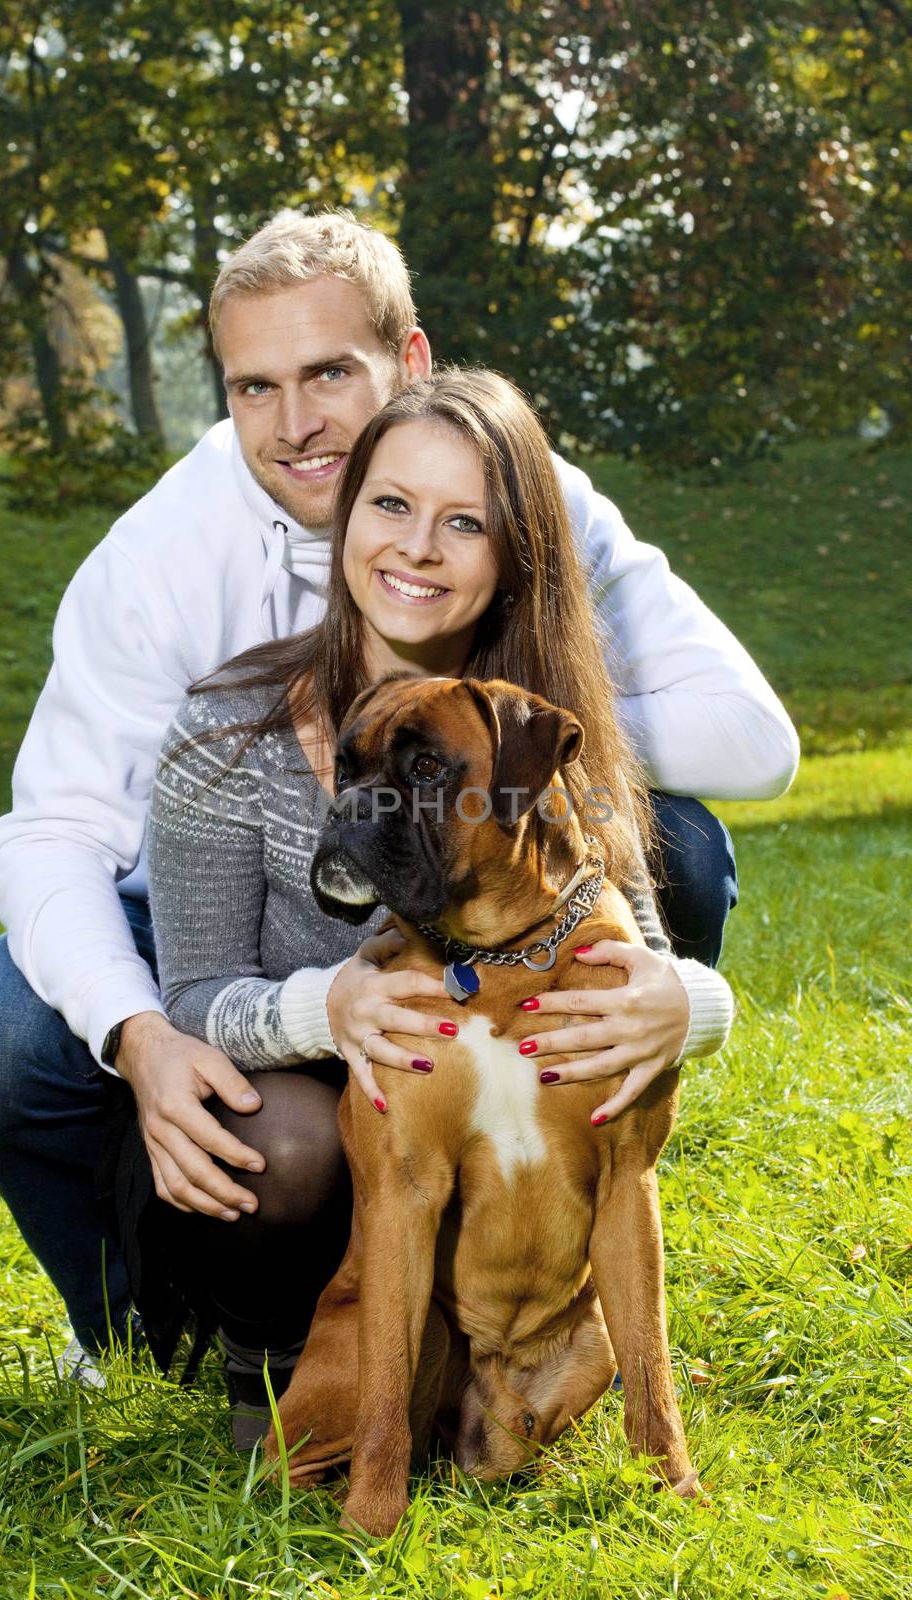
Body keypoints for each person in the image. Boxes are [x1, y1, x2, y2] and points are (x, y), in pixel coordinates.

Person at [0, 211, 797, 1373]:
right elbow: (54, 833)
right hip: (219, 895)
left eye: (331, 373)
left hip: (482, 884)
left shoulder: (519, 483)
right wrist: (140, 1034)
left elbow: (753, 738)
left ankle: (533, 1215)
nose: (295, 426)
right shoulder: (159, 559)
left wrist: (493, 733)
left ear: (411, 365)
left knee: (678, 836)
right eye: (253, 387)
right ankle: (145, 1324)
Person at [139, 368, 737, 1442]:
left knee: (689, 840)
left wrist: (691, 1001)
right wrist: (322, 1007)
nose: (417, 547)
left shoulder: (540, 733)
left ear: (511, 556)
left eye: (463, 521)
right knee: (280, 1134)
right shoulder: (228, 726)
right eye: (391, 505)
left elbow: (639, 949)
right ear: (342, 513)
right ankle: (247, 1350)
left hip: (476, 1121)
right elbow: (187, 988)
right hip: (291, 1111)